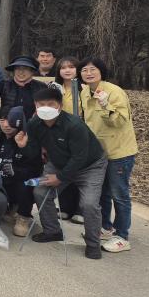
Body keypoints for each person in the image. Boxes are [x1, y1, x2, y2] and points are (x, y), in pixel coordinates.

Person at [14, 87, 107, 260]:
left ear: (60, 105)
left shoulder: (74, 125)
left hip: (90, 166)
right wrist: (23, 146)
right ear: (35, 105)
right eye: (41, 104)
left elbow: (80, 158)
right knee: (40, 191)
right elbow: (33, 151)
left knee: (89, 204)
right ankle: (53, 231)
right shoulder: (34, 123)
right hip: (57, 162)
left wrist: (60, 178)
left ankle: (93, 244)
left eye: (51, 104)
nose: (46, 107)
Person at [79, 57, 137, 253]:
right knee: (102, 192)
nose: (88, 73)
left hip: (119, 151)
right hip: (98, 152)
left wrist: (105, 106)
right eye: (84, 70)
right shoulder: (85, 91)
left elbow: (120, 122)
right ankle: (105, 227)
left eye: (92, 69)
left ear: (101, 72)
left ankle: (122, 236)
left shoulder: (114, 92)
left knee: (119, 194)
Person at [0, 107, 43, 237]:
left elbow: (35, 170)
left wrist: (15, 171)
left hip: (20, 183)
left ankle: (23, 216)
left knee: (25, 184)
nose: (6, 125)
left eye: (9, 120)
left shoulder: (27, 139)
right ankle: (8, 209)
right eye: (2, 120)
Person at [55, 56, 83, 223]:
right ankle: (65, 207)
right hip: (61, 134)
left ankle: (81, 209)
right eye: (63, 67)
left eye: (71, 67)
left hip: (80, 134)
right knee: (63, 169)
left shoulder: (83, 89)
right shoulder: (57, 88)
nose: (67, 70)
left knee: (80, 171)